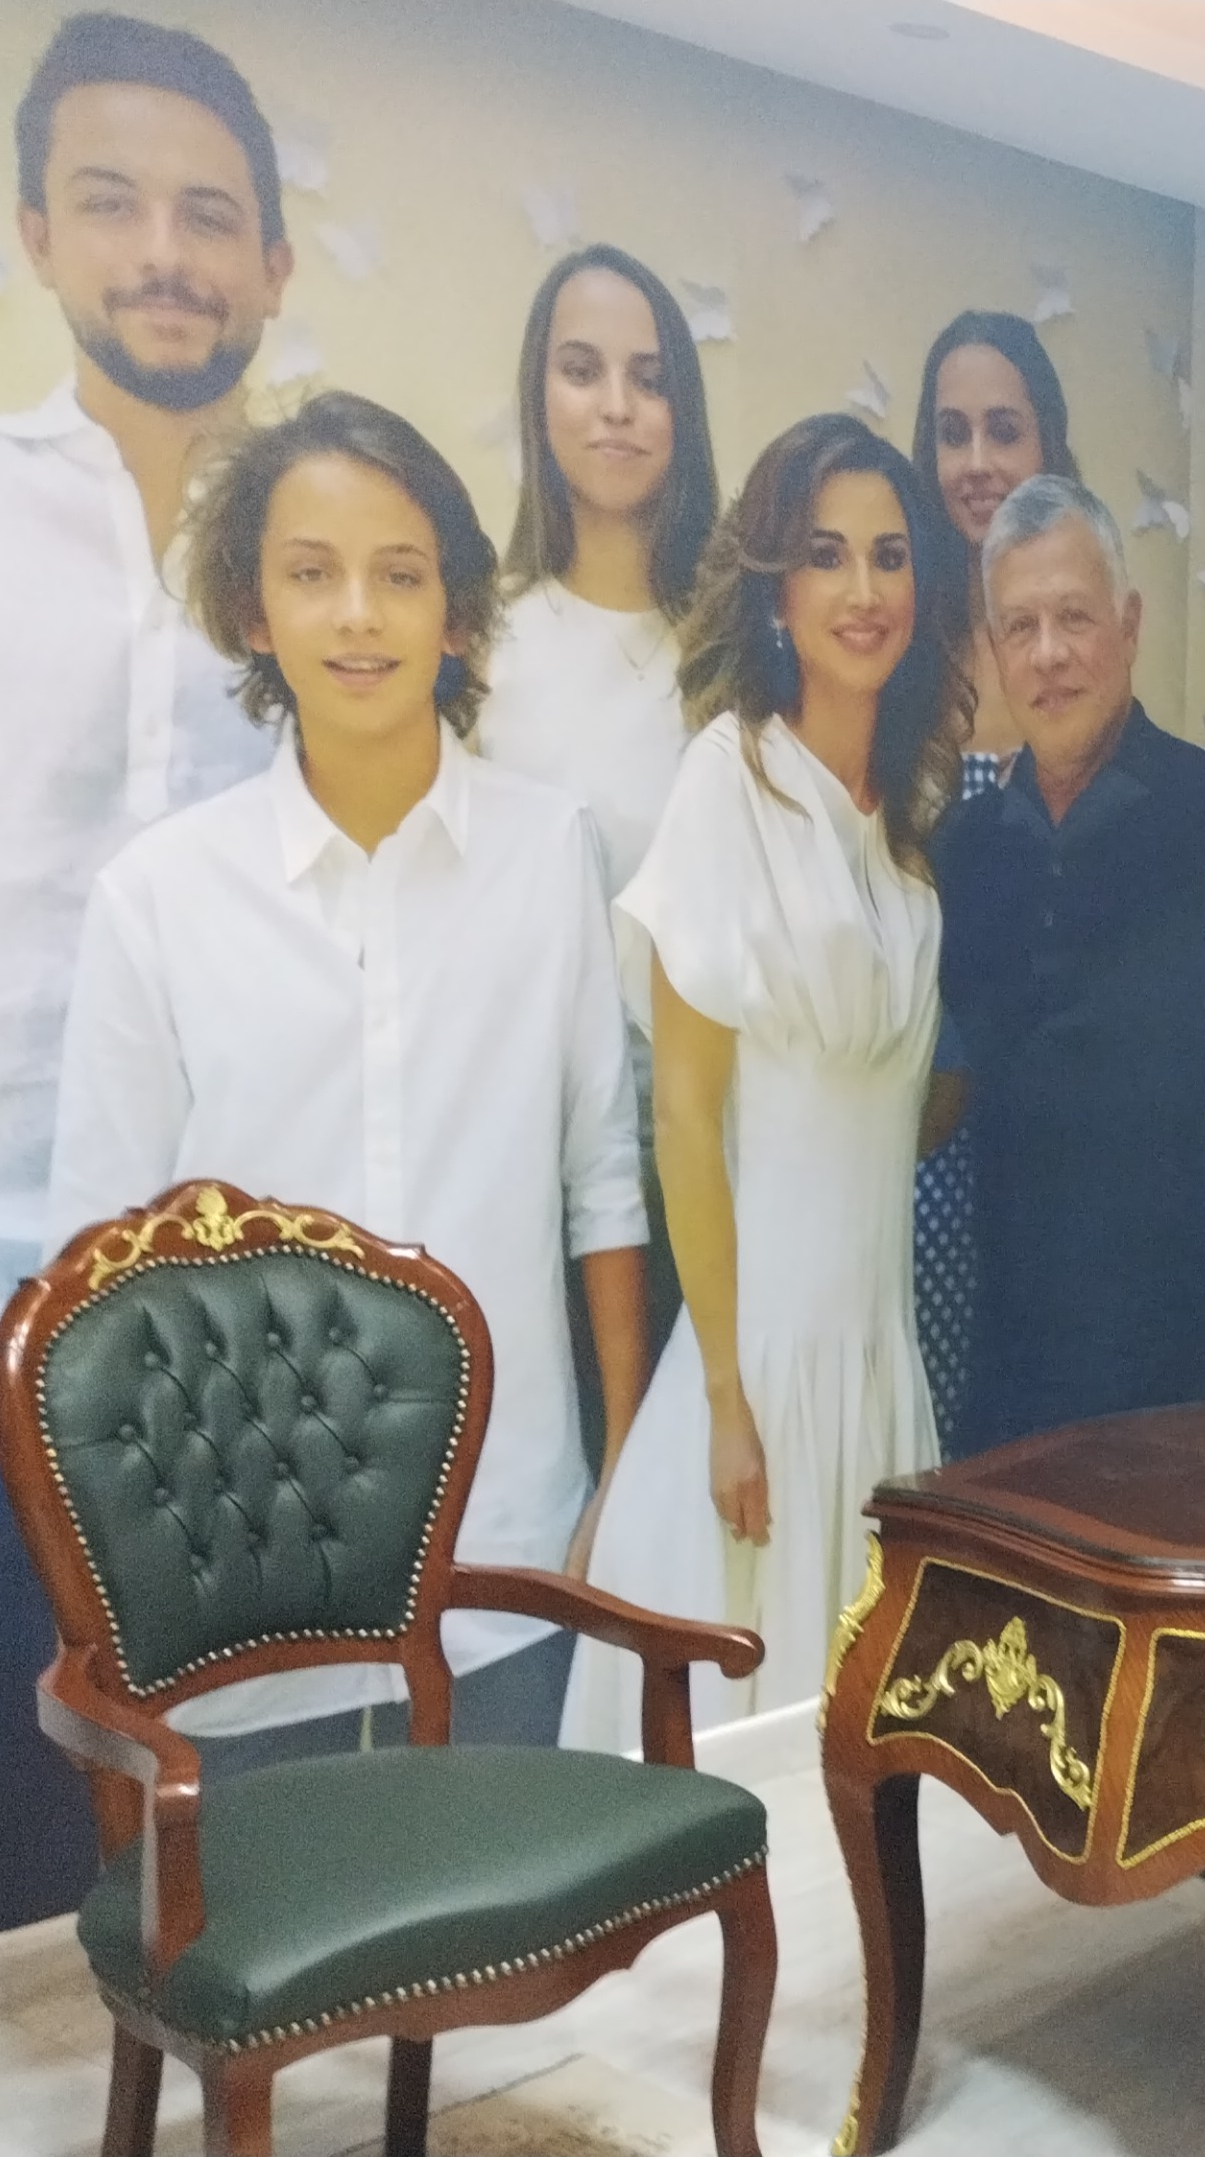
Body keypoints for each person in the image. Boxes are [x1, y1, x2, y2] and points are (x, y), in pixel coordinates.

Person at [0, 9, 292, 1952]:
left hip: (262, 1376)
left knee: (252, 1901)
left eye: (208, 214)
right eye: (111, 202)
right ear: (35, 231)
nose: (161, 251)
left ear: (274, 262)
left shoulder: (326, 562)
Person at [43, 391, 648, 1771]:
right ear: (253, 612)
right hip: (240, 1593)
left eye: (401, 575)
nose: (359, 616)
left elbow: (601, 1180)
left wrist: (619, 1472)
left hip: (506, 1559)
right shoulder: (158, 900)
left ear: (458, 613)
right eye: (312, 574)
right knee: (265, 1907)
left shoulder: (550, 853)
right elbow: (97, 1267)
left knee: (507, 1902)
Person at [563, 414, 965, 1740]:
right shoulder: (726, 781)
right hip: (759, 1381)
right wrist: (728, 1401)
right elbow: (685, 1120)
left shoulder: (901, 821)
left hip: (880, 1370)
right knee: (750, 1753)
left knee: (869, 1753)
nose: (863, 588)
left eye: (890, 556)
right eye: (826, 555)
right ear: (778, 591)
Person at [936, 475, 1205, 1452]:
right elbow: (942, 1093)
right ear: (993, 649)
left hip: (1173, 1358)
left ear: (1128, 626)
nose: (1048, 654)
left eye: (1074, 617)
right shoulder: (965, 848)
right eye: (1020, 626)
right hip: (1005, 1363)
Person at [478, 243, 721, 1503]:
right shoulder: (483, 649)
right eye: (582, 370)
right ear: (539, 396)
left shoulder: (731, 659)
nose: (617, 406)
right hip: (522, 1172)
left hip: (702, 1174)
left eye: (648, 376)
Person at [905, 310, 1079, 1455]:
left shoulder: (1071, 655)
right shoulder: (895, 644)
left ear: (1047, 444)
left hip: (1046, 1121)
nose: (976, 462)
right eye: (952, 431)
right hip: (920, 1116)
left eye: (1003, 430)